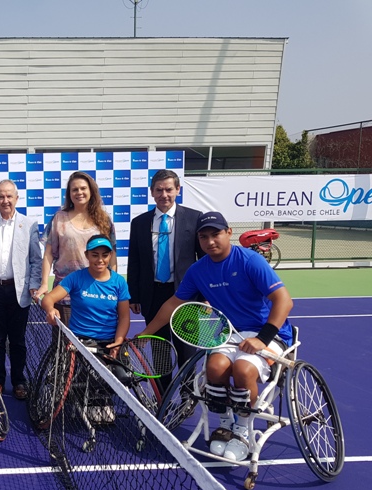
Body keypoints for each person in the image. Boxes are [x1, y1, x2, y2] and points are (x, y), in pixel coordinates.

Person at [141, 211, 293, 462]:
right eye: (204, 237)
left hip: (268, 334)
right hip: (230, 335)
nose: (210, 241)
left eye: (216, 234)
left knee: (243, 370)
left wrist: (262, 339)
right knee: (215, 368)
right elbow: (173, 304)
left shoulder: (250, 261)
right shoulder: (198, 270)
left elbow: (284, 301)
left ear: (229, 232)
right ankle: (225, 424)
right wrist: (145, 333)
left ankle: (243, 429)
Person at [41, 235, 131, 424]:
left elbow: (124, 316)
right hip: (81, 341)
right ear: (87, 255)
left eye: (105, 255)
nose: (100, 260)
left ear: (110, 256)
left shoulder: (118, 282)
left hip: (110, 340)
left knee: (124, 376)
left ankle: (101, 398)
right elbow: (48, 298)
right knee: (94, 372)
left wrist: (119, 340)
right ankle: (90, 399)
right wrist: (51, 309)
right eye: (95, 255)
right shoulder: (76, 278)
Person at [127, 169, 202, 389]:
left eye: (169, 189)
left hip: (184, 295)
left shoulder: (194, 218)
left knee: (186, 351)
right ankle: (163, 396)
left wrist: (206, 296)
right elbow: (135, 262)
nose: (164, 194)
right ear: (152, 192)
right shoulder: (139, 223)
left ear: (177, 190)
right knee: (159, 350)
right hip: (153, 295)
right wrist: (134, 295)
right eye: (159, 190)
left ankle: (189, 396)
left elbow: (203, 262)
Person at [0, 179, 41, 400]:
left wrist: (34, 286)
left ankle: (19, 380)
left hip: (19, 292)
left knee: (17, 341)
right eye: (1, 197)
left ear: (16, 198)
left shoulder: (29, 224)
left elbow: (36, 260)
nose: (5, 200)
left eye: (9, 196)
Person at [35, 171, 116, 323]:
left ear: (91, 190)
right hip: (65, 294)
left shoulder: (104, 220)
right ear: (69, 194)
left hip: (96, 293)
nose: (79, 192)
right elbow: (48, 254)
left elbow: (112, 255)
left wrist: (112, 285)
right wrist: (44, 283)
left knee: (93, 343)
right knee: (65, 344)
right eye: (75, 189)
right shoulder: (59, 218)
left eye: (83, 188)